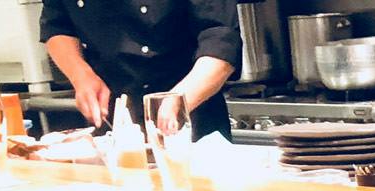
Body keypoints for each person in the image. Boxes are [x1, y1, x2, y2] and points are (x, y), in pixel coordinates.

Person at [41, 0, 239, 138]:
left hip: (191, 112)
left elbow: (221, 39)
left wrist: (178, 100)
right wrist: (81, 75)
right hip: (113, 118)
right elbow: (57, 25)